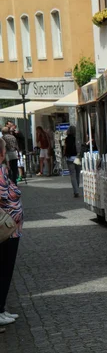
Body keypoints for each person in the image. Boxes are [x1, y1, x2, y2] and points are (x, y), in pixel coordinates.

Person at [0, 138, 24, 326]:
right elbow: (7, 194)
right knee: (4, 270)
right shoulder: (0, 171)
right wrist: (15, 190)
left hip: (10, 228)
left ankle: (1, 309)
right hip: (6, 229)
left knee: (5, 270)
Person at [63, 126, 82, 198]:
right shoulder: (77, 139)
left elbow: (65, 148)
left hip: (70, 158)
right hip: (77, 158)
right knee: (77, 174)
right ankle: (77, 189)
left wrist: (64, 155)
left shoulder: (67, 139)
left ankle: (76, 191)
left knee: (73, 175)